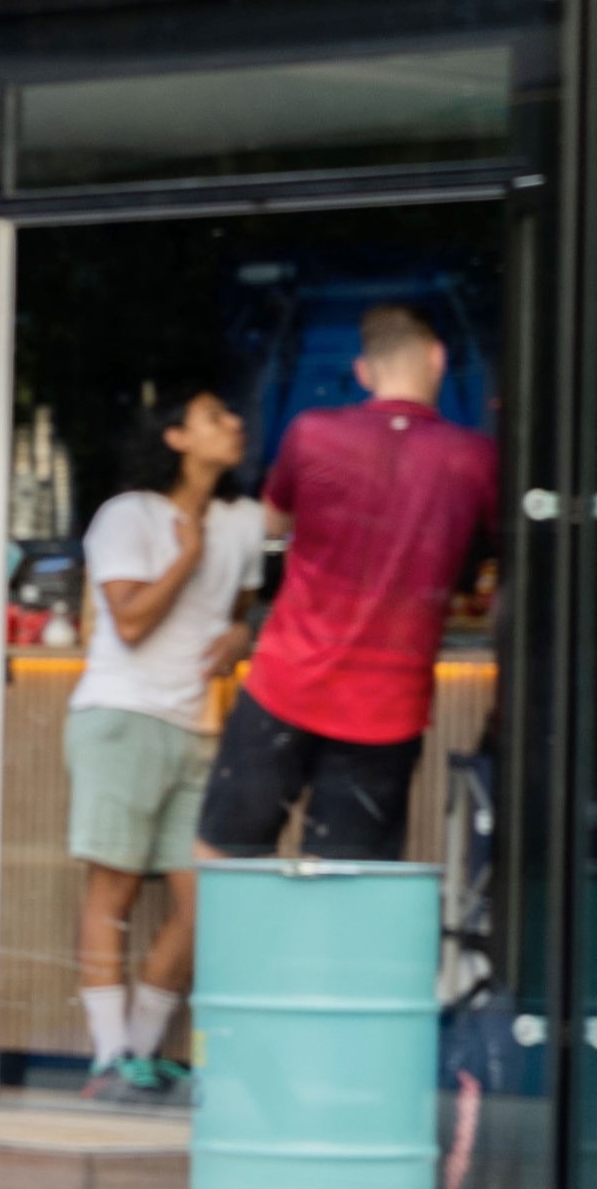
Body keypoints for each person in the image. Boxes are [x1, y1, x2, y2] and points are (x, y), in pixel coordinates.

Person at [196, 304, 498, 863]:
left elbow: (274, 522)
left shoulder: (312, 435)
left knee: (226, 856)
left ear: (362, 372)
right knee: (348, 880)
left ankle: (236, 953)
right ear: (437, 359)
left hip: (285, 682)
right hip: (388, 704)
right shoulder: (474, 459)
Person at [66, 388, 265, 1102]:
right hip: (121, 715)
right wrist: (186, 556)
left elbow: (237, 611)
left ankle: (139, 1055)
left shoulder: (244, 520)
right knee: (111, 889)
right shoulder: (131, 515)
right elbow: (131, 623)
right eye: (217, 417)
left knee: (203, 899)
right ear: (178, 437)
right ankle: (108, 1056)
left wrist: (245, 633)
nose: (235, 425)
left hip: (198, 725)